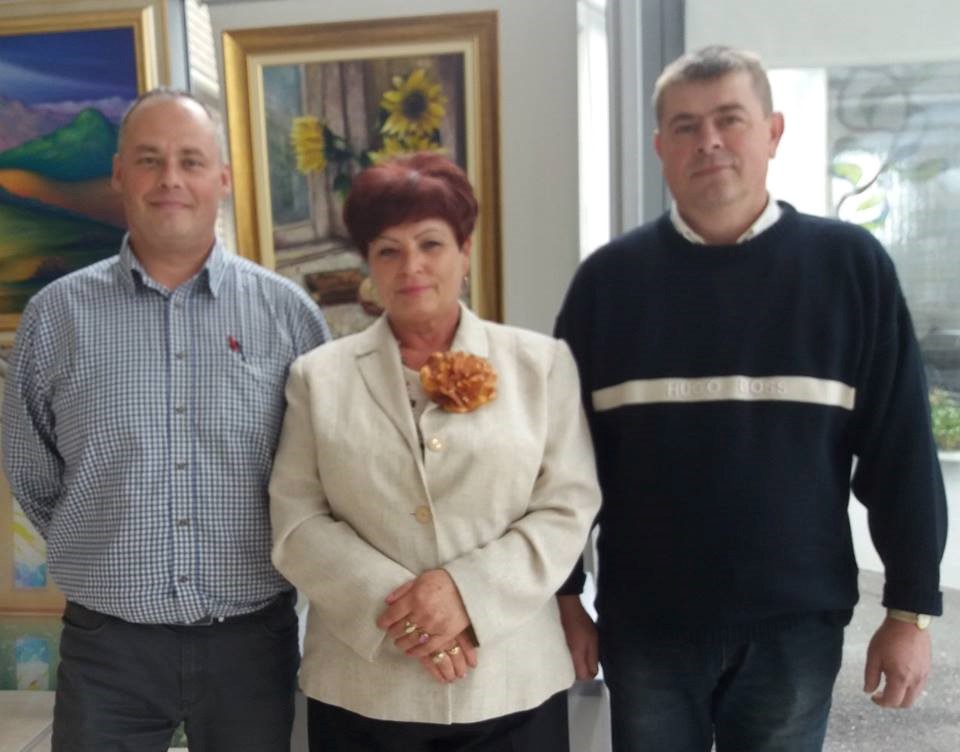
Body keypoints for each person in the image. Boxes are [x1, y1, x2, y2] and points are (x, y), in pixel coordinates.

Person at [555, 46, 948, 752]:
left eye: (729, 119)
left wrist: (910, 609)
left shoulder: (850, 269)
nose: (708, 141)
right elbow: (560, 462)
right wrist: (563, 595)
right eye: (685, 126)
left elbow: (902, 452)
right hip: (646, 626)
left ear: (773, 132)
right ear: (660, 148)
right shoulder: (607, 285)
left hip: (794, 626)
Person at [2, 89, 330, 752]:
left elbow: (326, 470)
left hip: (253, 643)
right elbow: (32, 472)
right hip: (108, 650)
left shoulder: (289, 316)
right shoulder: (56, 316)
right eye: (149, 160)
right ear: (119, 174)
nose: (170, 179)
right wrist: (104, 541)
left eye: (190, 160)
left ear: (223, 178)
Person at [268, 152, 601, 752]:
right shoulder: (317, 378)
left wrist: (466, 594)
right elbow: (296, 522)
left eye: (431, 243)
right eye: (388, 250)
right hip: (363, 688)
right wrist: (409, 613)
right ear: (368, 264)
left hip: (512, 683)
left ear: (465, 251)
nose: (411, 266)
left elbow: (566, 507)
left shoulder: (540, 365)